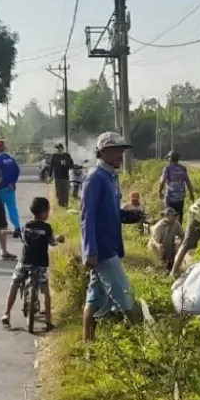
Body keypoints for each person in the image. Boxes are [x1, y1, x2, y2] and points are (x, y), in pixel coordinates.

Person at [80, 131, 145, 343]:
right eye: (116, 151)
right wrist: (90, 251)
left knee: (96, 297)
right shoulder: (95, 178)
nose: (121, 155)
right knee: (126, 298)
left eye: (122, 150)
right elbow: (87, 217)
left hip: (110, 247)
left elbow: (111, 211)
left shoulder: (110, 177)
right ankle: (141, 348)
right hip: (103, 250)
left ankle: (88, 345)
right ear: (103, 152)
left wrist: (130, 216)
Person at [0, 196, 66, 330]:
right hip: (40, 264)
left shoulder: (26, 226)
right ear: (43, 213)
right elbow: (52, 242)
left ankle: (6, 314)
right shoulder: (47, 228)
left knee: (15, 283)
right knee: (46, 292)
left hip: (25, 261)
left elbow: (21, 237)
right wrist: (58, 239)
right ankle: (48, 320)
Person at [0, 139, 23, 238]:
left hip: (0, 189)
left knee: (0, 210)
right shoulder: (11, 159)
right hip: (10, 188)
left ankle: (2, 228)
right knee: (12, 208)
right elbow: (17, 171)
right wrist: (12, 182)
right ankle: (17, 227)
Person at [158, 150, 195, 220]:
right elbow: (188, 182)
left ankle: (170, 228)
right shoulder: (183, 168)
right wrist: (191, 194)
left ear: (170, 158)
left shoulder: (167, 168)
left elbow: (163, 181)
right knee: (179, 212)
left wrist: (160, 191)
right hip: (180, 197)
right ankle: (179, 227)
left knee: (169, 213)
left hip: (170, 197)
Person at [148, 207, 185, 271]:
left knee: (171, 264)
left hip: (168, 246)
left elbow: (183, 235)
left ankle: (171, 264)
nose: (174, 217)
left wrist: (180, 245)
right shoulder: (158, 227)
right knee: (160, 267)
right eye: (171, 215)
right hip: (157, 247)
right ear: (165, 216)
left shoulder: (176, 224)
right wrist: (158, 246)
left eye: (174, 215)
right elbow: (155, 242)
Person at [50, 143, 75, 207]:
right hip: (57, 177)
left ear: (62, 148)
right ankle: (60, 205)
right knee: (59, 192)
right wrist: (50, 176)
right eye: (56, 148)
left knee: (65, 191)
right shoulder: (54, 156)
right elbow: (51, 166)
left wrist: (65, 163)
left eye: (58, 148)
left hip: (65, 176)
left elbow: (71, 165)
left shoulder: (67, 156)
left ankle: (65, 204)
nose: (57, 150)